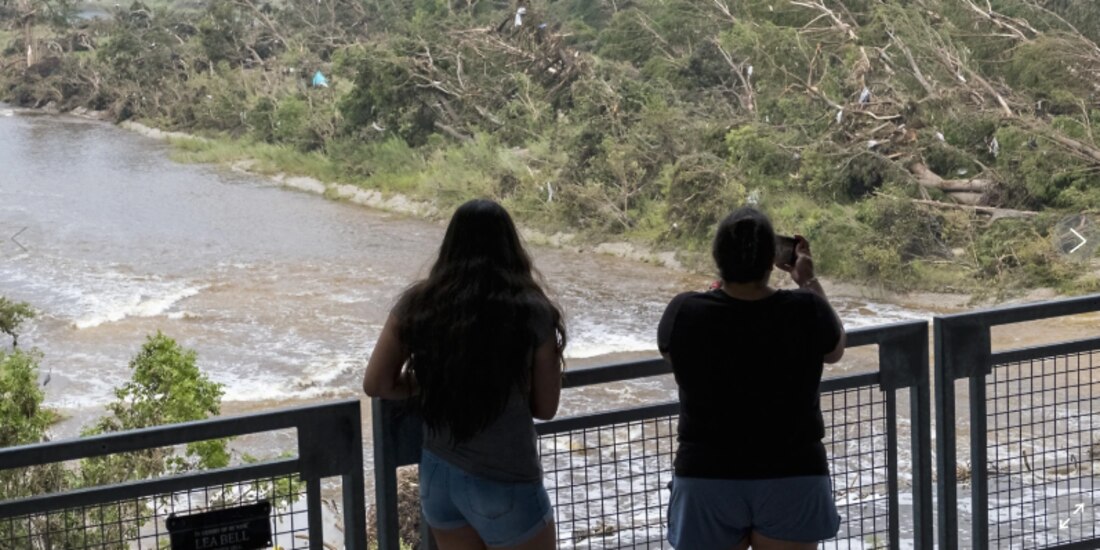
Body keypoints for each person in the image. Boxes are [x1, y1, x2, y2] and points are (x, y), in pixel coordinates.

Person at [363, 199, 566, 550]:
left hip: (440, 477)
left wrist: (439, 380)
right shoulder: (532, 311)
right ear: (511, 247)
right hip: (507, 477)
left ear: (450, 245)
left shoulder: (419, 304)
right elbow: (546, 408)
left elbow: (377, 383)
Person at [657, 207, 846, 550]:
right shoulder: (806, 308)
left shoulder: (685, 310)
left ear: (718, 257)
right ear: (773, 259)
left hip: (707, 474)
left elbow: (673, 354)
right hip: (793, 472)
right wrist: (807, 280)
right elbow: (834, 351)